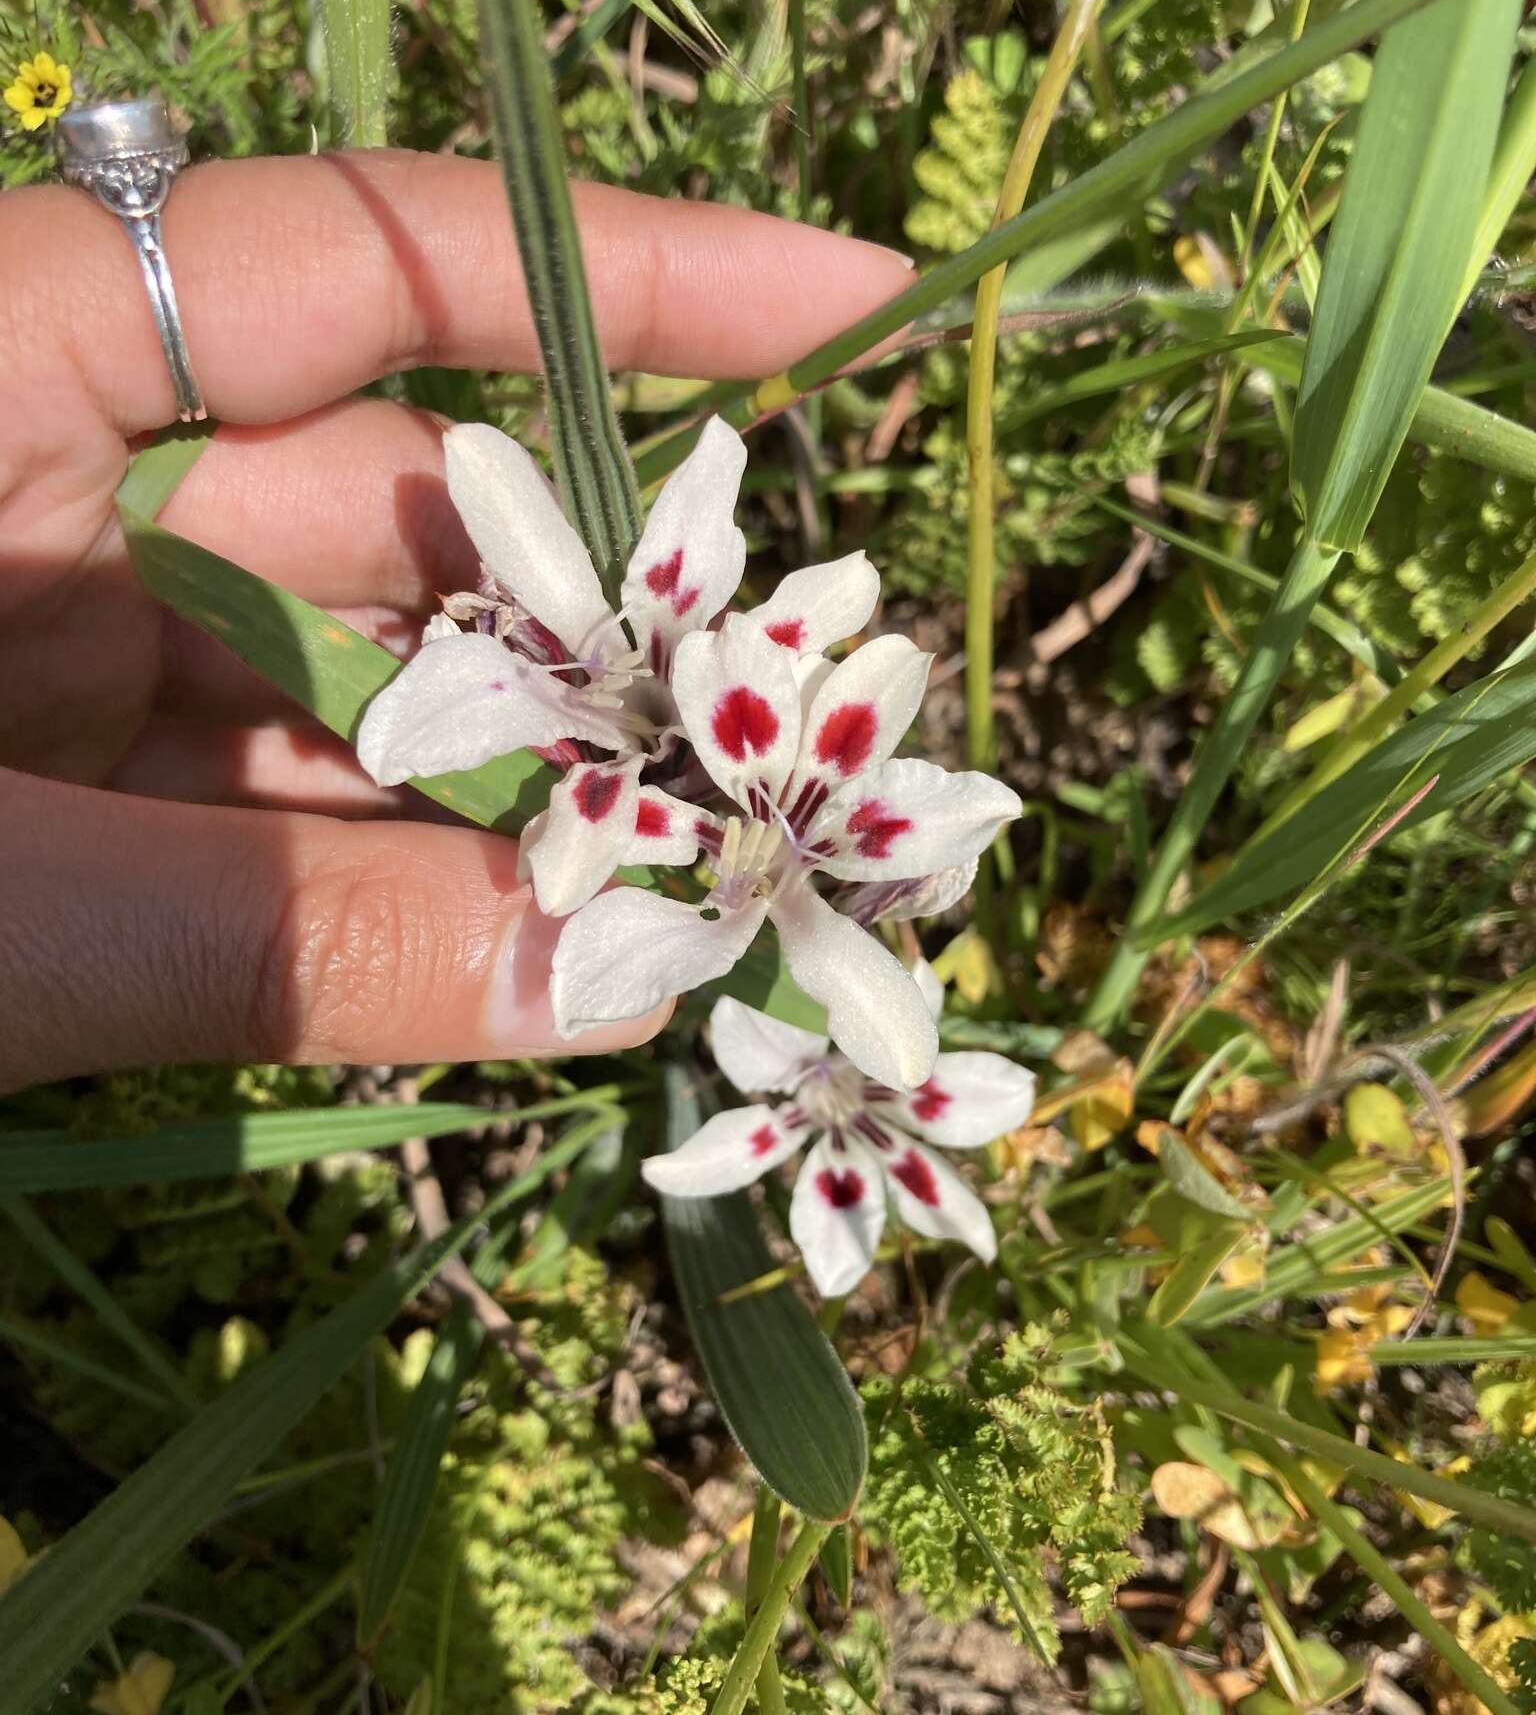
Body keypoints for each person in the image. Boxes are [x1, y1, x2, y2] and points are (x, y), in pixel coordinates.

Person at [0, 148, 913, 1094]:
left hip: (690, 781)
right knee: (560, 632)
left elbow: (816, 619)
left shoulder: (719, 748)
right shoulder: (626, 785)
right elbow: (530, 812)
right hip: (649, 776)